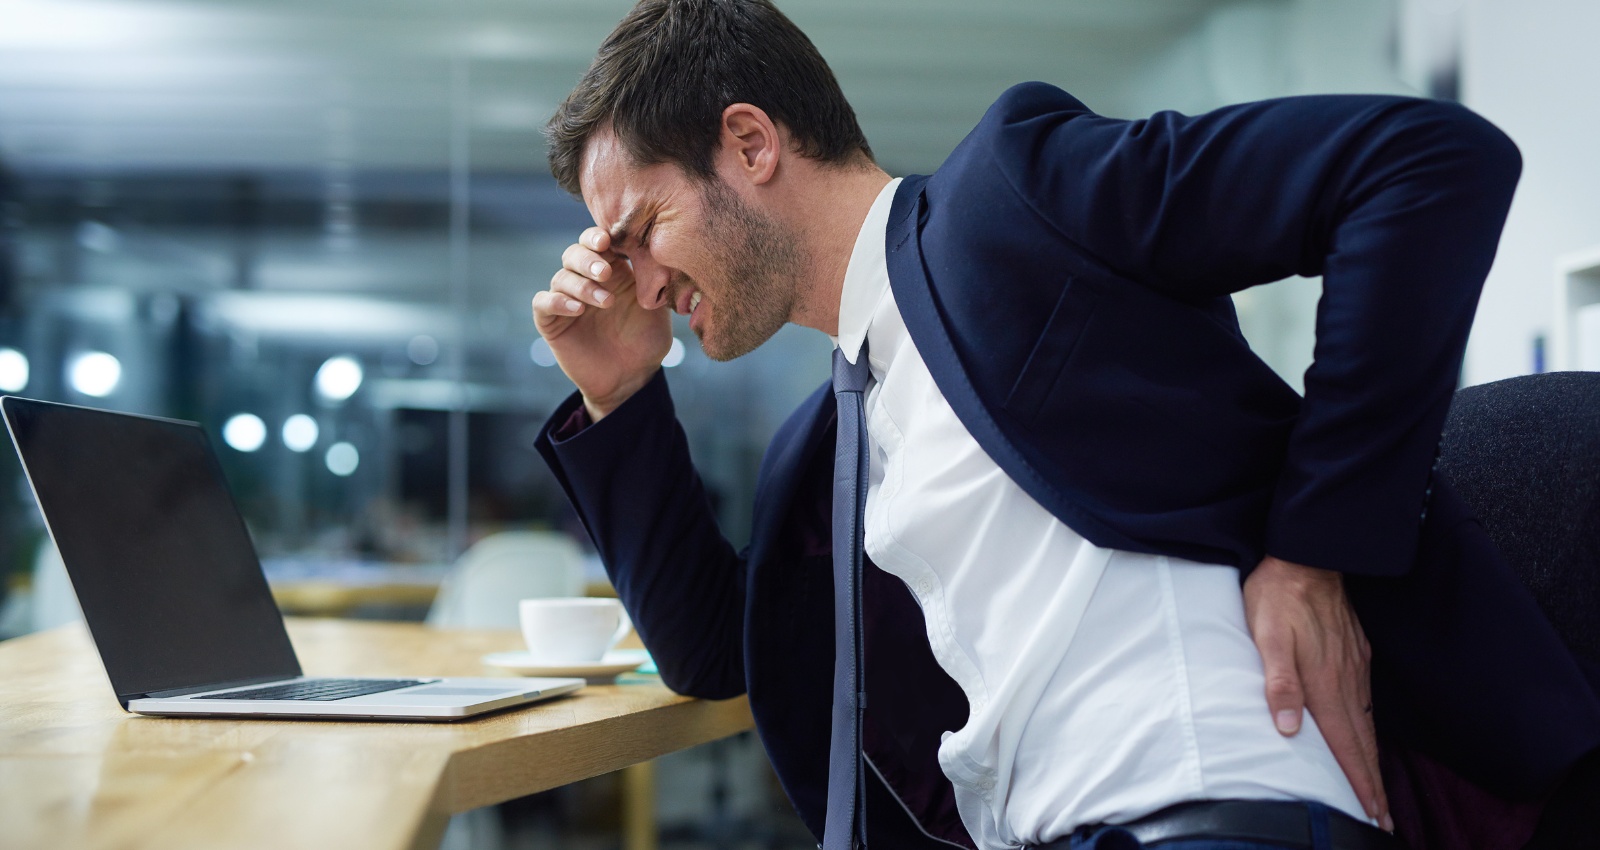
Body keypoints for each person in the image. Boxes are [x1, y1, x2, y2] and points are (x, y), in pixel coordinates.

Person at [530, 1, 1600, 847]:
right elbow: (717, 649)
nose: (637, 279)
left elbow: (1422, 164)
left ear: (750, 143)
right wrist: (619, 391)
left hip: (1207, 806)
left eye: (639, 228)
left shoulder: (1011, 200)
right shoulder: (828, 447)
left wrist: (1312, 549)